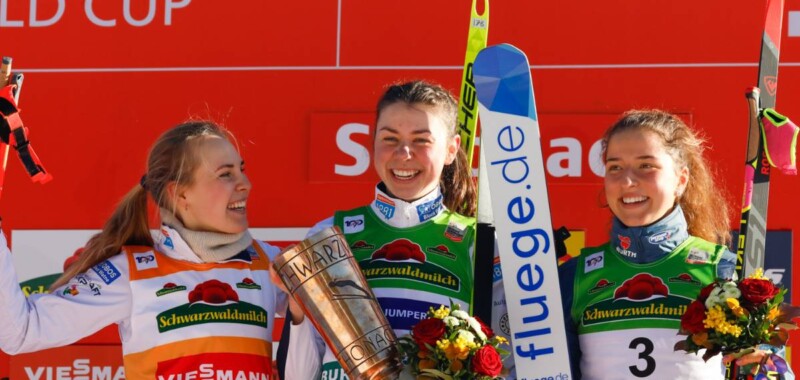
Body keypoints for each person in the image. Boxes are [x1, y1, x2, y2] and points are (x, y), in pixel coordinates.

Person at [0, 121, 286, 379]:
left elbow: (327, 315)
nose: (245, 184)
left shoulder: (267, 263)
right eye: (225, 174)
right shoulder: (132, 272)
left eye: (241, 170)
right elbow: (22, 332)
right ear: (180, 193)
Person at [279, 80, 512, 379]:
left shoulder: (478, 244)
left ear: (451, 149)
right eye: (390, 138)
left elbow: (507, 365)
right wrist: (298, 304)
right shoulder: (328, 235)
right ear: (372, 142)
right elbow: (298, 374)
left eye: (421, 140)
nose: (403, 153)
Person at [559, 110, 794, 379]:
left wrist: (767, 369)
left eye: (646, 165)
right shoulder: (574, 277)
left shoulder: (725, 270)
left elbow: (774, 369)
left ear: (681, 180)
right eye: (615, 167)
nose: (627, 181)